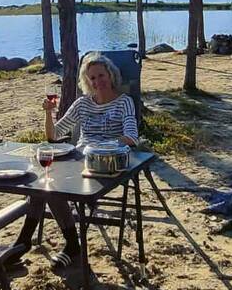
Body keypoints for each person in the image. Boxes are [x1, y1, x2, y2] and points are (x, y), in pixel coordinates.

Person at [8, 52, 138, 270]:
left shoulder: (124, 102)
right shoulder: (82, 104)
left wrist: (99, 146)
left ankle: (43, 243)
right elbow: (54, 136)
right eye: (92, 78)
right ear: (87, 82)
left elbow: (131, 138)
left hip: (106, 164)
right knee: (44, 183)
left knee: (50, 186)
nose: (98, 82)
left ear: (111, 75)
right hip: (78, 160)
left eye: (101, 75)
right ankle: (36, 243)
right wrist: (49, 114)